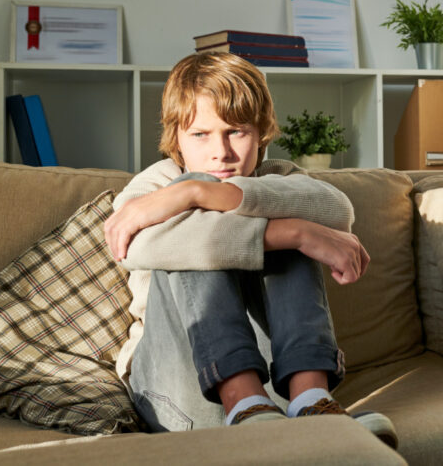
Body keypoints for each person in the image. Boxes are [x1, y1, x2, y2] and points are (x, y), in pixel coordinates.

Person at [103, 52, 396, 446]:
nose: (220, 152)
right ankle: (243, 401)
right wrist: (191, 191)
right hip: (177, 392)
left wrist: (206, 193)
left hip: (278, 391)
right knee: (194, 239)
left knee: (285, 215)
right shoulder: (156, 184)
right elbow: (132, 247)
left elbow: (338, 209)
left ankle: (312, 400)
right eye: (200, 134)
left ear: (261, 133)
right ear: (175, 138)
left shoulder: (281, 177)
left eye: (236, 132)